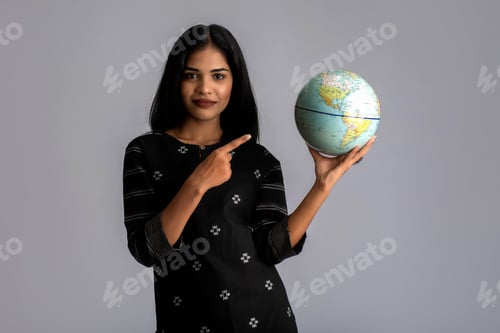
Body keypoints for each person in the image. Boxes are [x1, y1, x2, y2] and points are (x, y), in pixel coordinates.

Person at [122, 23, 375, 333]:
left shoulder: (259, 159)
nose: (205, 88)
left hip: (266, 319)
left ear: (234, 82)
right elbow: (147, 250)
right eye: (191, 75)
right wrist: (197, 183)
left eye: (218, 76)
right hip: (185, 322)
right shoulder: (145, 151)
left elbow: (272, 248)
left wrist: (322, 186)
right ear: (175, 80)